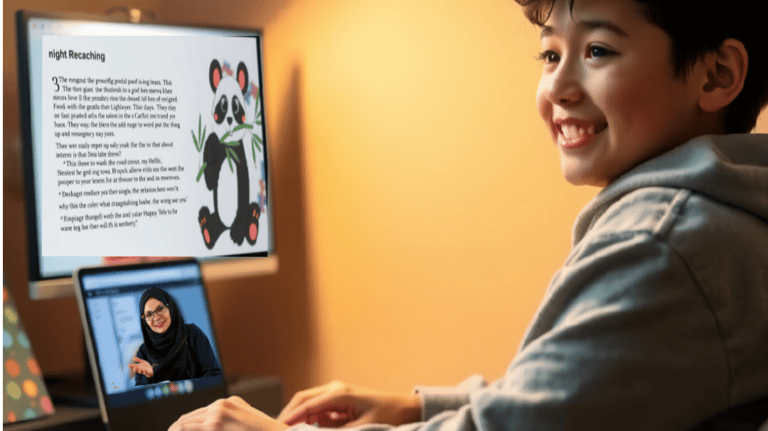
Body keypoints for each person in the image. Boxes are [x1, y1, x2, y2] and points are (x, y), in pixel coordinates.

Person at [169, 0, 768, 429]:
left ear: (717, 75)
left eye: (597, 50)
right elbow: (570, 398)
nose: (557, 86)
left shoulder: (662, 243)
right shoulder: (707, 213)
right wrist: (420, 407)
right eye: (550, 53)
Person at [130, 287, 222, 385]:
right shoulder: (143, 352)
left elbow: (215, 374)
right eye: (149, 314)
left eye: (160, 309)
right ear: (144, 320)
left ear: (170, 308)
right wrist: (150, 377)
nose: (156, 318)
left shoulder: (192, 334)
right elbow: (140, 395)